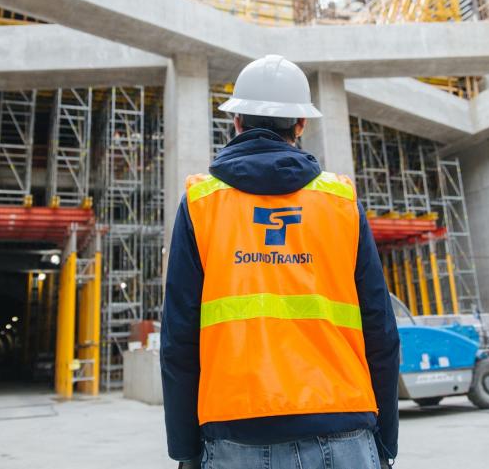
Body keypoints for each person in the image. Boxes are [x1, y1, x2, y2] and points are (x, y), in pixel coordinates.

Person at [161, 54, 400, 469]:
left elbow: (179, 341)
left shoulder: (201, 205)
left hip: (236, 432)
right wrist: (386, 442)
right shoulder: (341, 205)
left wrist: (185, 451)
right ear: (301, 125)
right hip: (344, 426)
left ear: (236, 122)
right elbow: (380, 330)